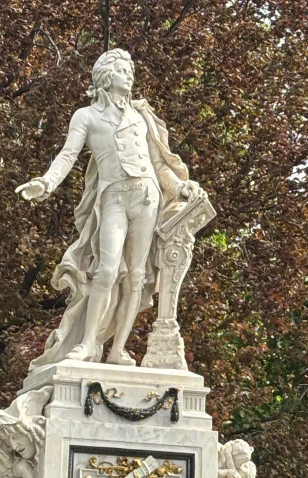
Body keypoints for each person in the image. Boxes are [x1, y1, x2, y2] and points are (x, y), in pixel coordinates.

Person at [17, 48, 204, 368]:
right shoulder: (87, 116)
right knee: (106, 270)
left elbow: (158, 165)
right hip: (113, 198)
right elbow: (67, 155)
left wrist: (178, 187)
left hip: (147, 197)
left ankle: (117, 349)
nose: (129, 75)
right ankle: (87, 344)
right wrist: (46, 183)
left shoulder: (141, 116)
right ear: (105, 75)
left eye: (130, 70)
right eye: (121, 70)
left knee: (136, 276)